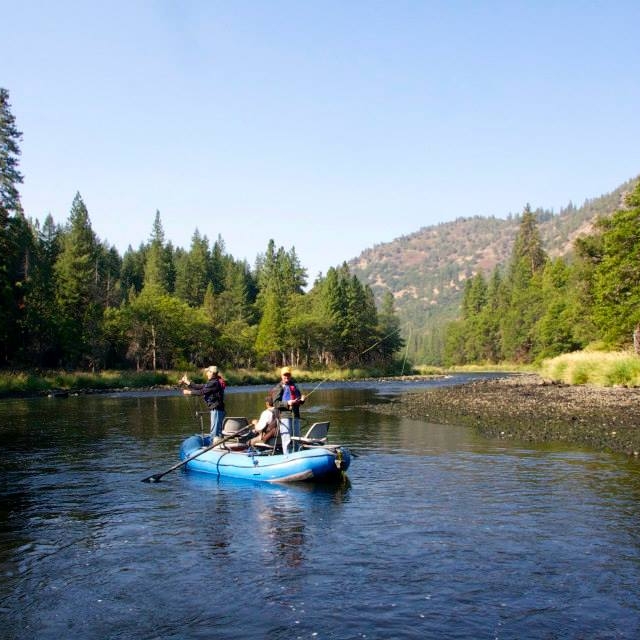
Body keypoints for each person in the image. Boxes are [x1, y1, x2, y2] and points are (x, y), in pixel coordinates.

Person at [180, 366, 226, 443]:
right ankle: (218, 444)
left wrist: (189, 392)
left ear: (212, 373)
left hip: (217, 410)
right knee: (216, 432)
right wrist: (188, 382)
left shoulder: (214, 383)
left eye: (208, 372)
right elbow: (199, 387)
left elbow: (202, 392)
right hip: (217, 409)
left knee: (214, 433)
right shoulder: (213, 381)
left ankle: (215, 447)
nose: (207, 373)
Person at [270, 366, 305, 453]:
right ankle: (287, 456)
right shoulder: (278, 388)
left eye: (288, 375)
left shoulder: (294, 386)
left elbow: (298, 400)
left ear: (290, 375)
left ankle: (297, 456)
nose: (286, 376)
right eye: (285, 375)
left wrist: (302, 400)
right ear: (281, 376)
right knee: (287, 440)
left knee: (297, 439)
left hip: (295, 416)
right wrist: (287, 403)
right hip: (285, 417)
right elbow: (275, 403)